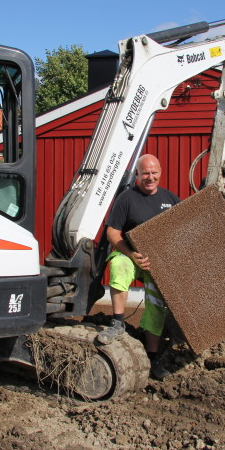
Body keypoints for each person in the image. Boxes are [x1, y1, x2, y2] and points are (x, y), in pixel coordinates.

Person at [96, 154, 180, 377]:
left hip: (157, 264)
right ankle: (118, 322)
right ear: (137, 175)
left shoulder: (171, 199)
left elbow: (192, 222)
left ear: (160, 172)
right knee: (119, 265)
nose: (150, 178)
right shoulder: (126, 198)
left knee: (156, 302)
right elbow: (112, 232)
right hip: (132, 256)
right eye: (145, 174)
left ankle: (153, 359)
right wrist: (131, 254)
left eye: (154, 173)